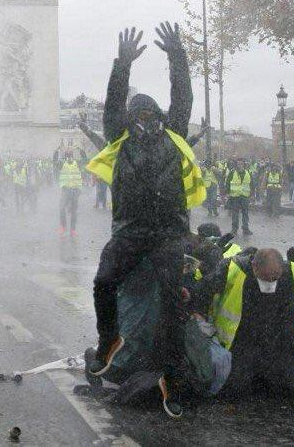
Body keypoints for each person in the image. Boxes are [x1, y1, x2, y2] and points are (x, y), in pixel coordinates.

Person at [84, 23, 200, 418]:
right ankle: (109, 341)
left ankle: (174, 381)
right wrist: (122, 65)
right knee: (103, 283)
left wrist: (177, 55)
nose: (147, 118)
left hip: (168, 234)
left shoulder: (175, 133)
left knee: (173, 312)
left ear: (161, 116)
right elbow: (112, 103)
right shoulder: (119, 137)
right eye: (141, 113)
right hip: (132, 231)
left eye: (152, 113)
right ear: (131, 118)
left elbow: (183, 95)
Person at [193, 248, 294, 397]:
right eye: (266, 277)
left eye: (275, 278)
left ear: (282, 268)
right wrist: (199, 316)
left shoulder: (291, 270)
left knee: (293, 389)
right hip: (241, 342)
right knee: (235, 390)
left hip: (278, 342)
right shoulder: (233, 269)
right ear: (254, 267)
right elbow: (202, 290)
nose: (270, 283)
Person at [225, 159, 252, 236]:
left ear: (244, 165)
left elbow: (252, 184)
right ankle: (234, 230)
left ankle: (245, 229)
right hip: (235, 197)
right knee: (235, 214)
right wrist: (227, 193)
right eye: (238, 164)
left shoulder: (248, 173)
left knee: (245, 213)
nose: (240, 165)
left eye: (241, 164)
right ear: (236, 165)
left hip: (245, 196)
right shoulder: (232, 172)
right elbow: (227, 182)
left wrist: (252, 195)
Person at [58, 151, 82, 237]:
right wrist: (58, 150)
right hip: (65, 189)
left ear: (73, 156)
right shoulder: (62, 164)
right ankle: (63, 226)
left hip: (75, 190)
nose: (69, 157)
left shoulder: (77, 164)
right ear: (65, 156)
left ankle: (73, 229)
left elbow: (85, 159)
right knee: (61, 208)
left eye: (70, 155)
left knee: (73, 211)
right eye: (67, 155)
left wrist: (79, 189)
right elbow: (55, 162)